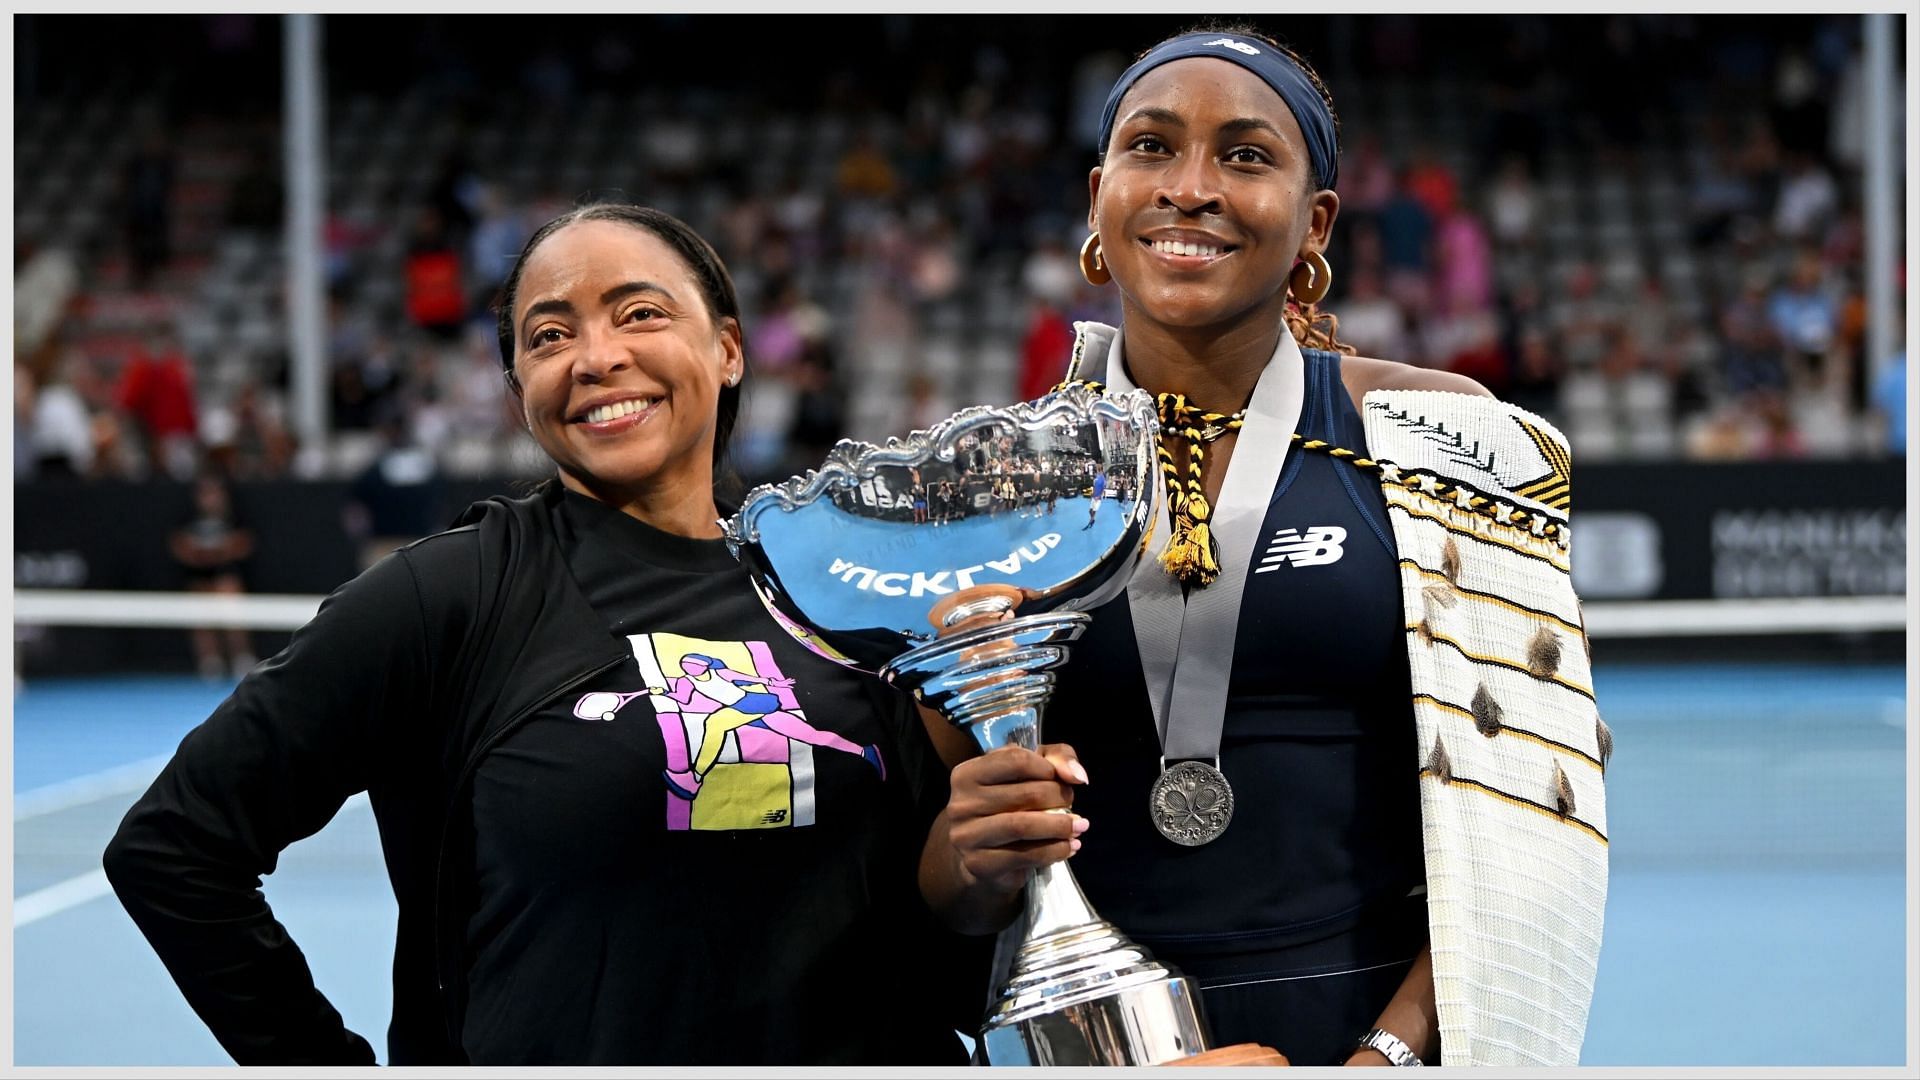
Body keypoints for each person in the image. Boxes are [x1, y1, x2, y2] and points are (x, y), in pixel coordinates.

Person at [104, 202, 984, 1066]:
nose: (596, 358)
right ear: (519, 390)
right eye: (549, 337)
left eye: (640, 314)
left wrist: (984, 871)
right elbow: (174, 851)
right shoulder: (445, 597)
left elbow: (934, 929)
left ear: (727, 348)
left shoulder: (851, 594)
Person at [931, 27, 1609, 1068]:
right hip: (1105, 1050)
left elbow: (1539, 805)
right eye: (1152, 148)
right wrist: (971, 858)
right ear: (1100, 195)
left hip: (1392, 1046)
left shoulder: (1448, 435)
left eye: (1246, 156)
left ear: (1314, 220)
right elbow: (929, 867)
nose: (1191, 187)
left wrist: (1385, 1058)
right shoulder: (989, 483)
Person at [169, 472, 258, 681]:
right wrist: (200, 555)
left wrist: (218, 553)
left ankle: (241, 658)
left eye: (215, 493)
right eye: (206, 494)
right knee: (200, 609)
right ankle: (210, 662)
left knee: (230, 599)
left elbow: (244, 543)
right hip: (198, 578)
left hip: (225, 576)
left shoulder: (234, 517)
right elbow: (179, 546)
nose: (211, 498)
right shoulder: (188, 518)